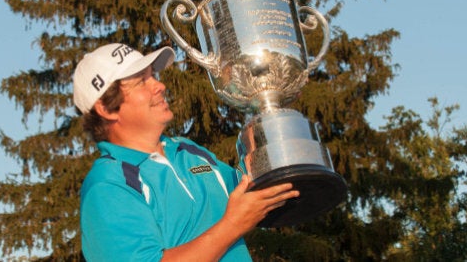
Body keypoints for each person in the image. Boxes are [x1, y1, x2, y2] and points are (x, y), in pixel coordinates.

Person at [73, 43, 299, 261]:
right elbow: (238, 218)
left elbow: (255, 192)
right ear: (106, 108)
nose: (159, 86)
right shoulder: (107, 185)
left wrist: (270, 134)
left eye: (153, 75)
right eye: (142, 81)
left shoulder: (187, 150)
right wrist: (233, 225)